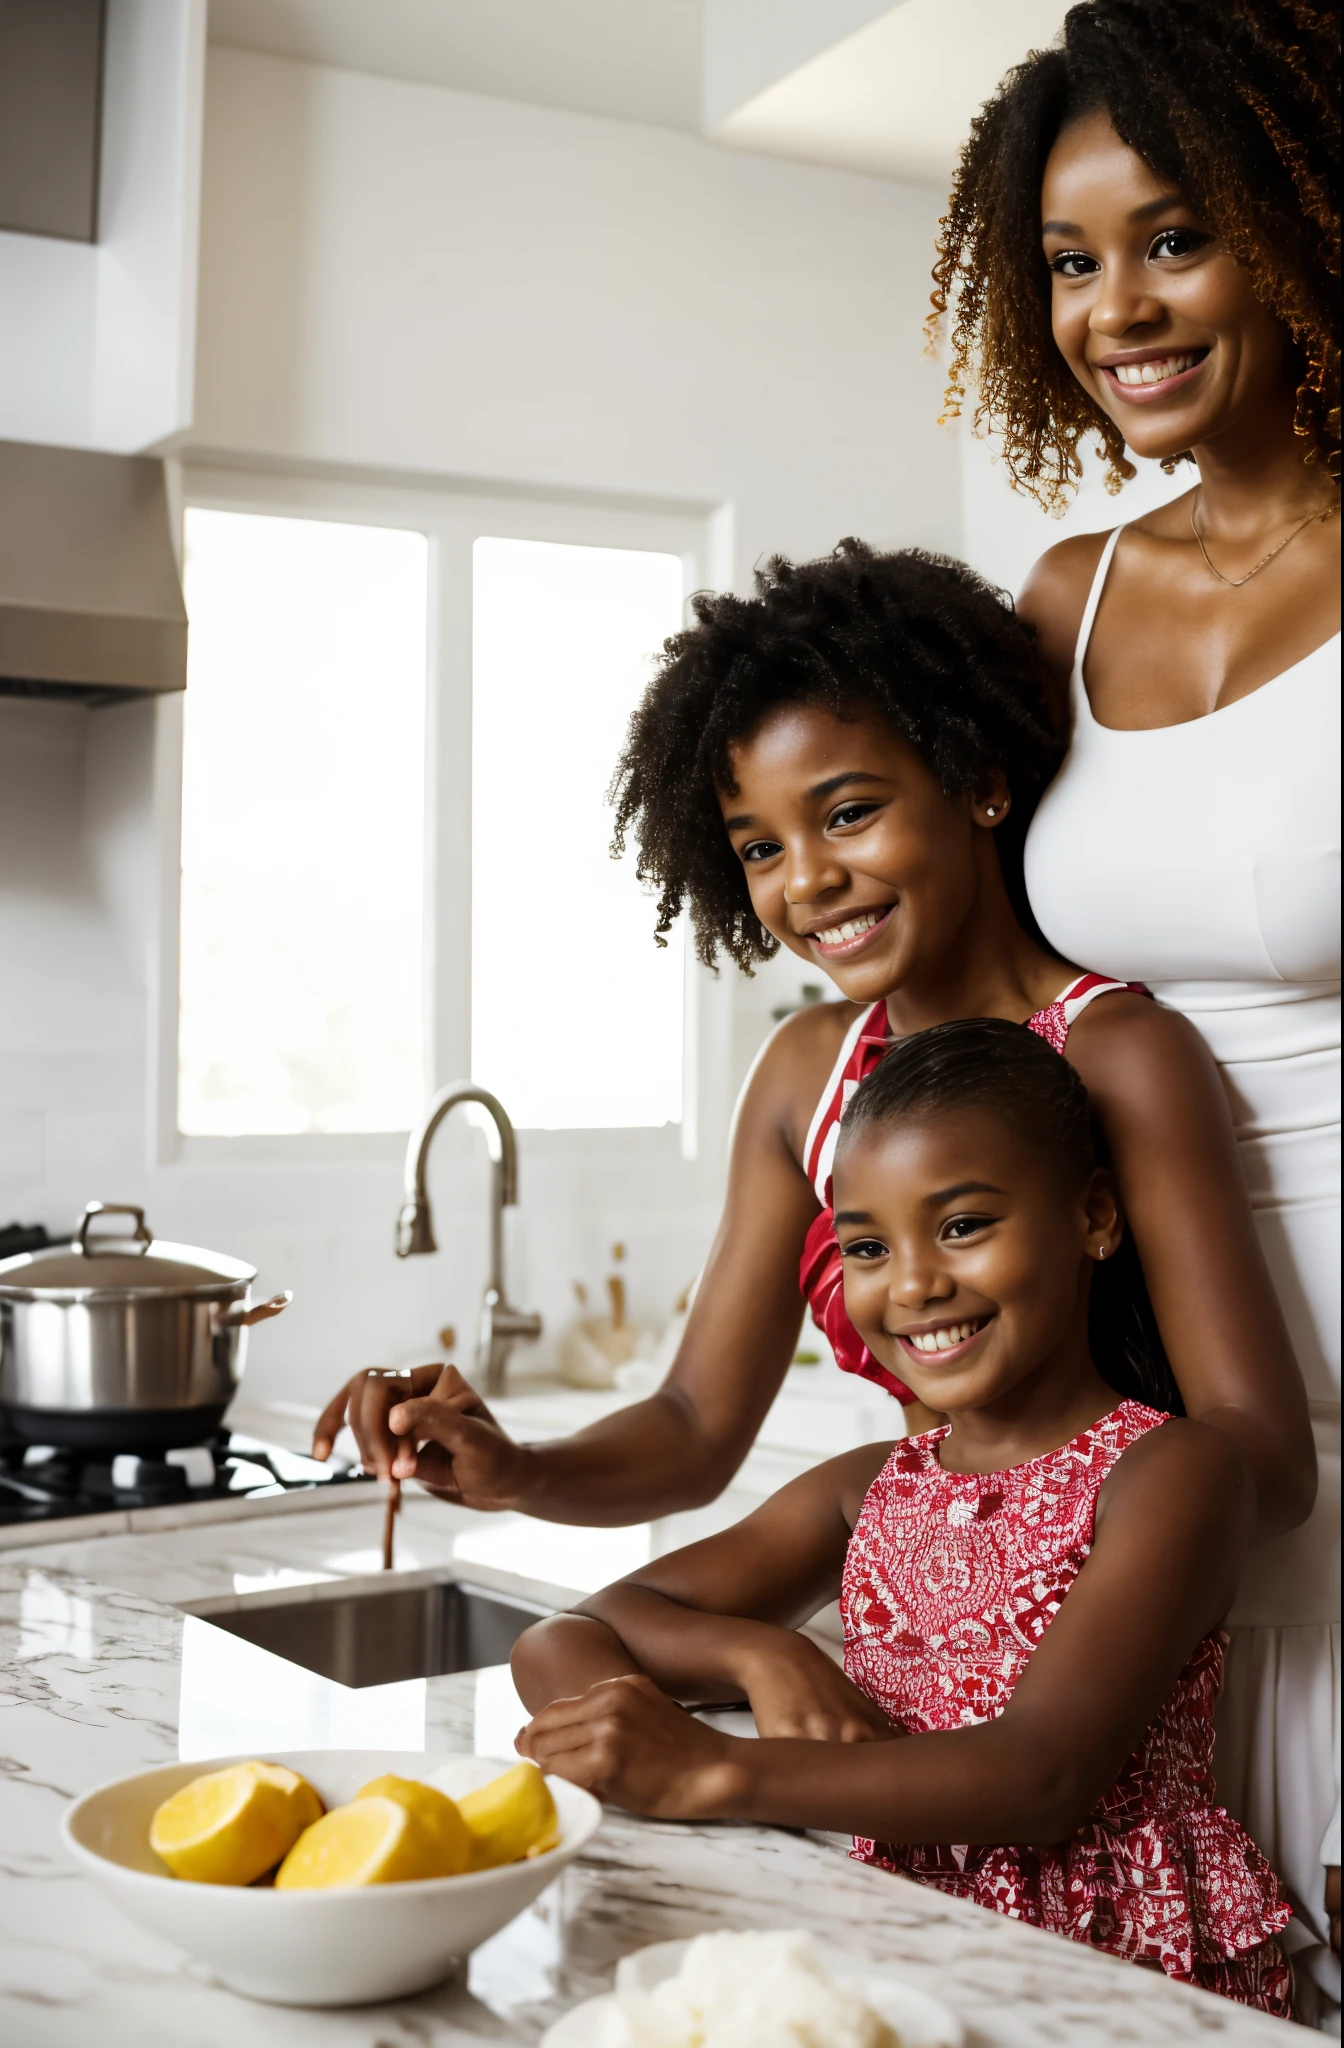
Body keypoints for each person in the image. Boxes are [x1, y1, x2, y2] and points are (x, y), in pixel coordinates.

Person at [927, 0, 1340, 2015]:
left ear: (1302, 224)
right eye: (1072, 263)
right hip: (1153, 1437)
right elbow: (995, 1014)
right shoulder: (1061, 595)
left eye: (1174, 237)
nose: (1119, 308)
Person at [512, 1021, 1293, 2016]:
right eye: (868, 1246)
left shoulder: (1174, 1470)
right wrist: (763, 1655)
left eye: (963, 1224)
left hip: (1114, 1979)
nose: (914, 1282)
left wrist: (713, 1768)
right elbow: (566, 1636)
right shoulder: (869, 1484)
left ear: (1094, 1215)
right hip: (894, 1954)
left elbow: (1040, 1773)